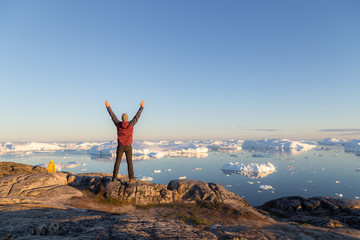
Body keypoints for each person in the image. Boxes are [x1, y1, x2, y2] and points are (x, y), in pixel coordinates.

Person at [105, 100, 144, 182]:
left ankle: (114, 178)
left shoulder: (118, 124)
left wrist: (108, 107)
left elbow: (112, 116)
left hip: (120, 146)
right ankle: (131, 178)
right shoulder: (131, 124)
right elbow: (137, 116)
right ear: (127, 119)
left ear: (122, 119)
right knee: (129, 162)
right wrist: (141, 107)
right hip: (128, 147)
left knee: (117, 162)